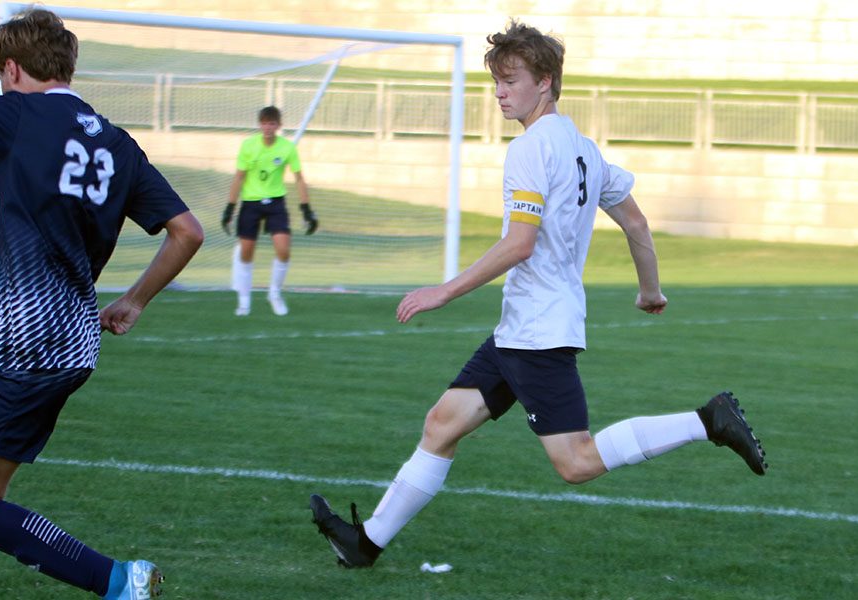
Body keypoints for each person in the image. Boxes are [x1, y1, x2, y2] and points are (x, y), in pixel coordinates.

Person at [309, 20, 767, 569]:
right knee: (443, 423)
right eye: (496, 83)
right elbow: (638, 226)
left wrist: (445, 291)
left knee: (575, 461)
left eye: (511, 81)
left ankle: (707, 420)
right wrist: (650, 291)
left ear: (545, 81)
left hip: (537, 332)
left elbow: (519, 244)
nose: (500, 93)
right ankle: (366, 543)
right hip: (522, 328)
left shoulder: (531, 149)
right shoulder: (585, 150)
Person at [0, 9, 203, 598]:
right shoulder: (116, 142)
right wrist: (135, 301)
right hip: (69, 339)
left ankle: (120, 580)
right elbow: (188, 231)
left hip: (30, 342)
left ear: (11, 69)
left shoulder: (15, 115)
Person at [222, 105, 318, 317]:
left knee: (283, 250)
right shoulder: (248, 146)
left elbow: (299, 178)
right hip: (250, 203)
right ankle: (244, 300)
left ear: (278, 126)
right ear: (260, 124)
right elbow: (239, 177)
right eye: (264, 123)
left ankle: (274, 293)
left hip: (276, 203)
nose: (268, 127)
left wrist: (307, 209)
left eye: (272, 123)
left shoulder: (287, 148)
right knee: (246, 253)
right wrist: (230, 208)